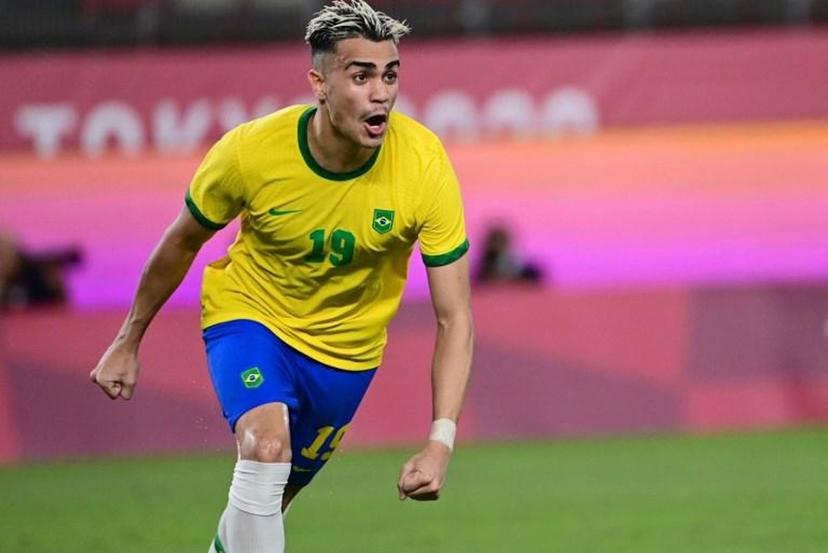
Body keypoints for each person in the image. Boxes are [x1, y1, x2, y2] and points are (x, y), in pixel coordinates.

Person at [89, 2, 474, 552]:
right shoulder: (250, 152)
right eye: (360, 76)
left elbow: (454, 316)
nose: (380, 94)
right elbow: (181, 242)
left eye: (390, 76)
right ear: (319, 85)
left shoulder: (423, 164)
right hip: (251, 318)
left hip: (346, 357)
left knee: (266, 503)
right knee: (266, 449)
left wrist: (440, 443)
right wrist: (128, 339)